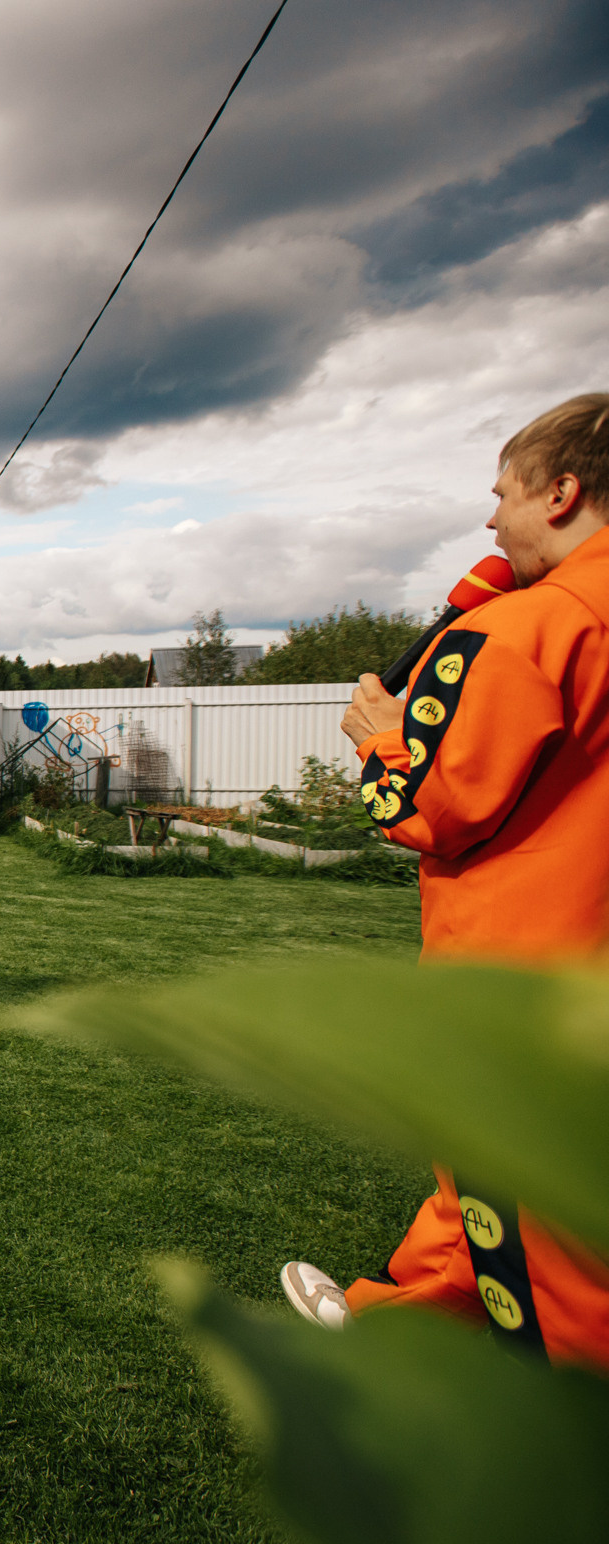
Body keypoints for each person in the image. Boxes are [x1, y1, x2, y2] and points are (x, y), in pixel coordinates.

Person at [283, 393, 609, 1368]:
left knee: (540, 1215)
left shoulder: (526, 631)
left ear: (560, 492)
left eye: (501, 493)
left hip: (525, 970)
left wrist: (384, 741)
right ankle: (392, 1319)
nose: (489, 519)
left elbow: (429, 804)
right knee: (488, 1185)